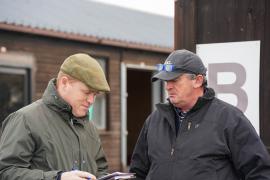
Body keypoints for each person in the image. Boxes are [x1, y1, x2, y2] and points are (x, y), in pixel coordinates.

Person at [129, 49, 270, 180]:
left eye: (175, 80)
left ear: (198, 81)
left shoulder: (229, 119)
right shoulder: (154, 120)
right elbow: (137, 173)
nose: (168, 86)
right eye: (166, 81)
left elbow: (260, 172)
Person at [0, 53, 110, 180]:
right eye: (87, 92)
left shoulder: (89, 126)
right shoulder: (25, 120)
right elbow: (6, 172)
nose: (91, 100)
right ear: (64, 83)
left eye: (95, 94)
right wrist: (58, 178)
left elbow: (100, 169)